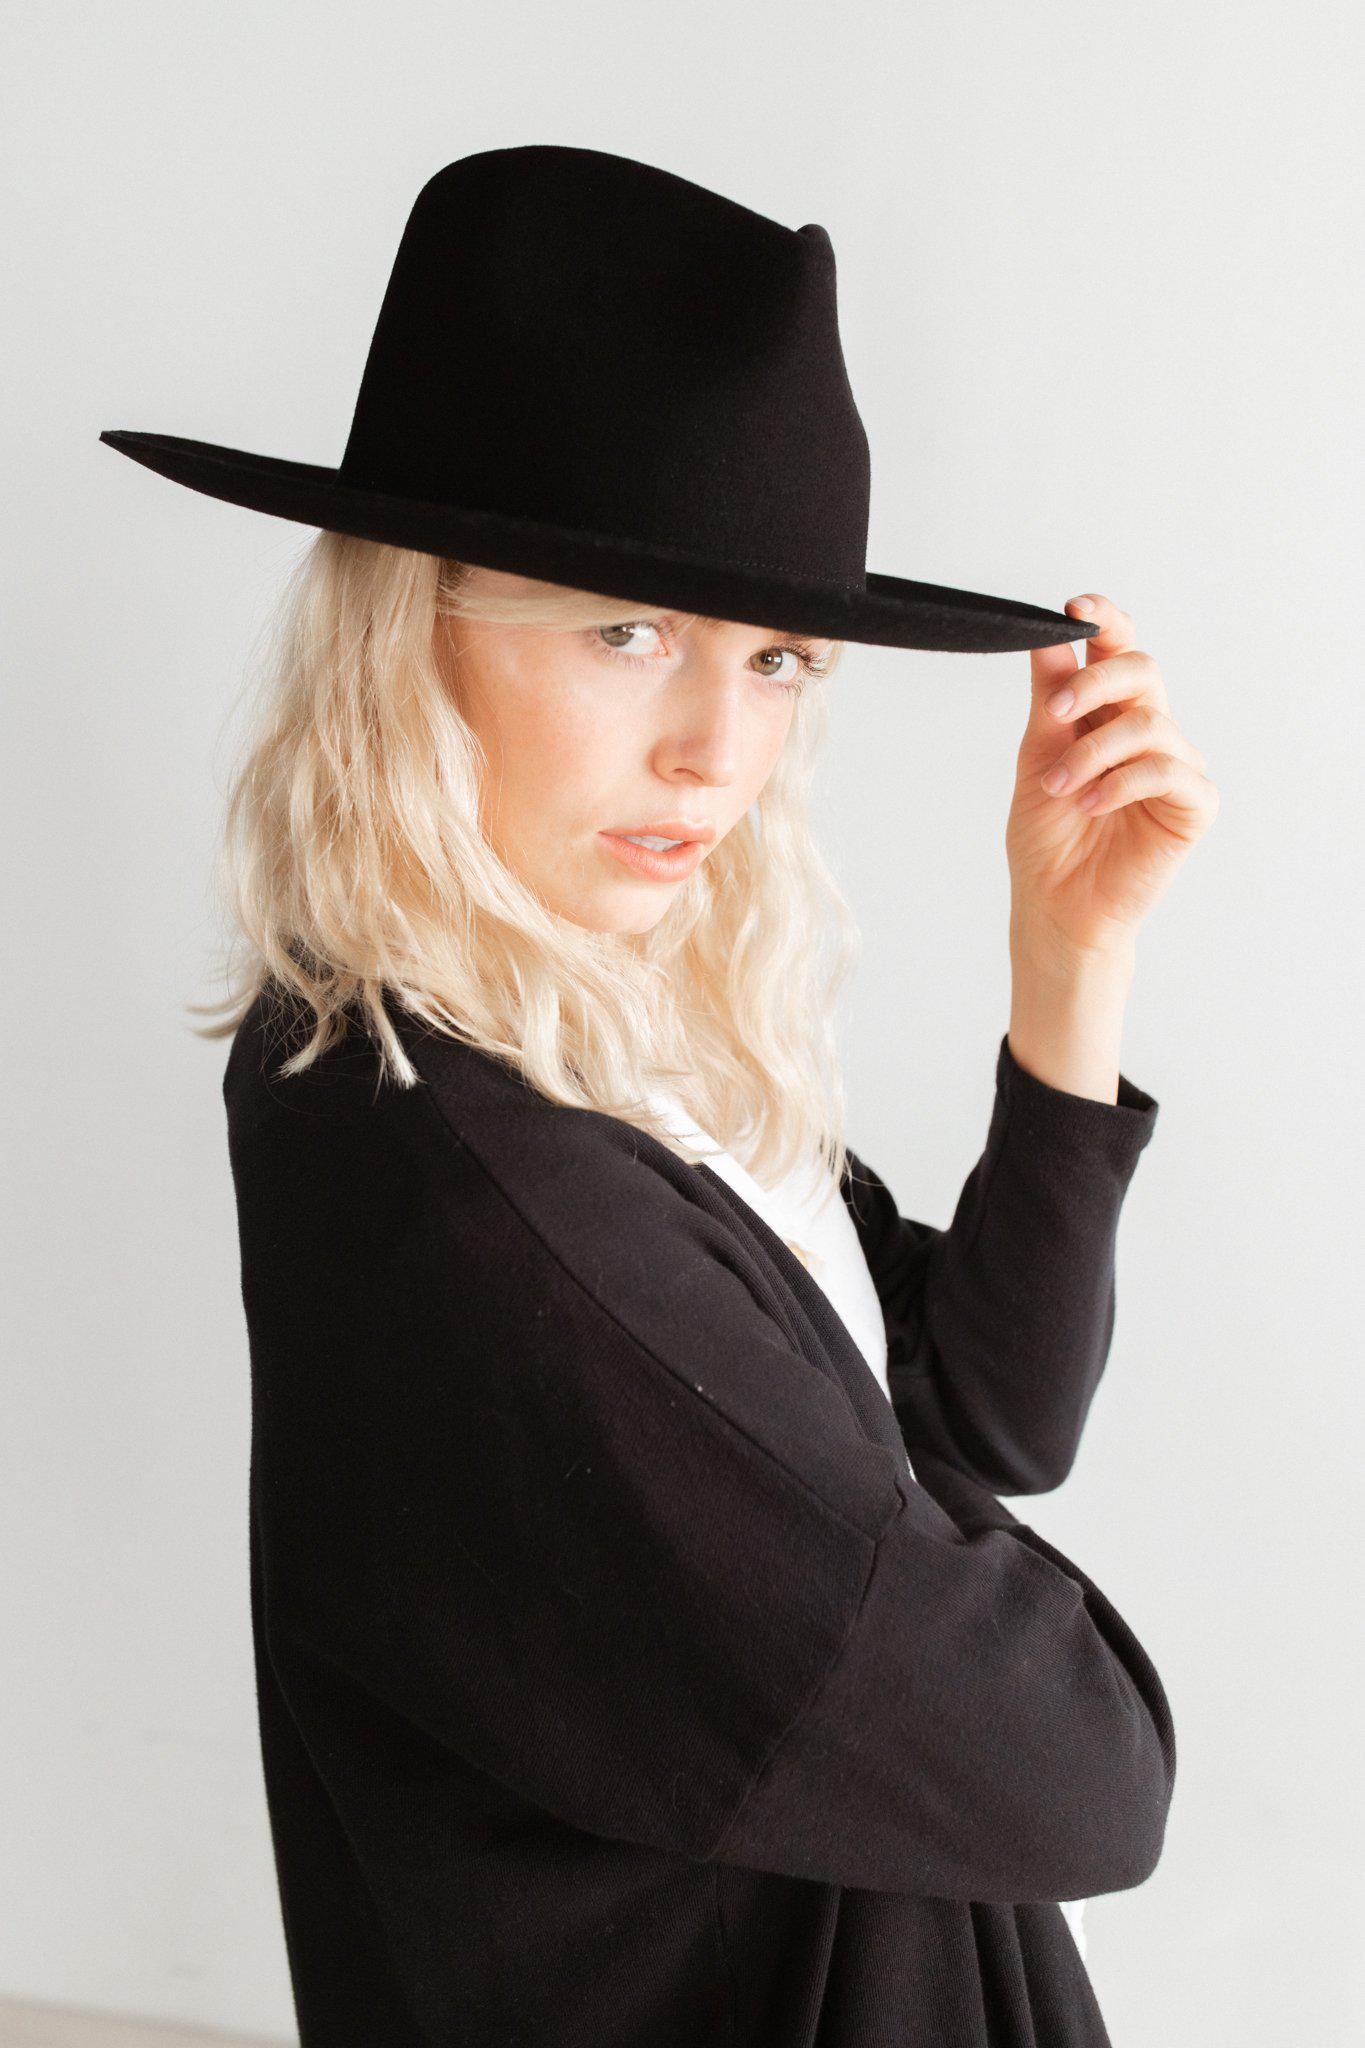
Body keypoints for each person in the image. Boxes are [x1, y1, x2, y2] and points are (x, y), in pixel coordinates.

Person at [101, 144, 1218, 2048]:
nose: (718, 749)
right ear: (409, 626)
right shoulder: (476, 1177)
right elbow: (1079, 1766)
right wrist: (903, 1547)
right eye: (624, 631)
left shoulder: (586, 1035)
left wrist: (1067, 965)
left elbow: (981, 1414)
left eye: (773, 658)